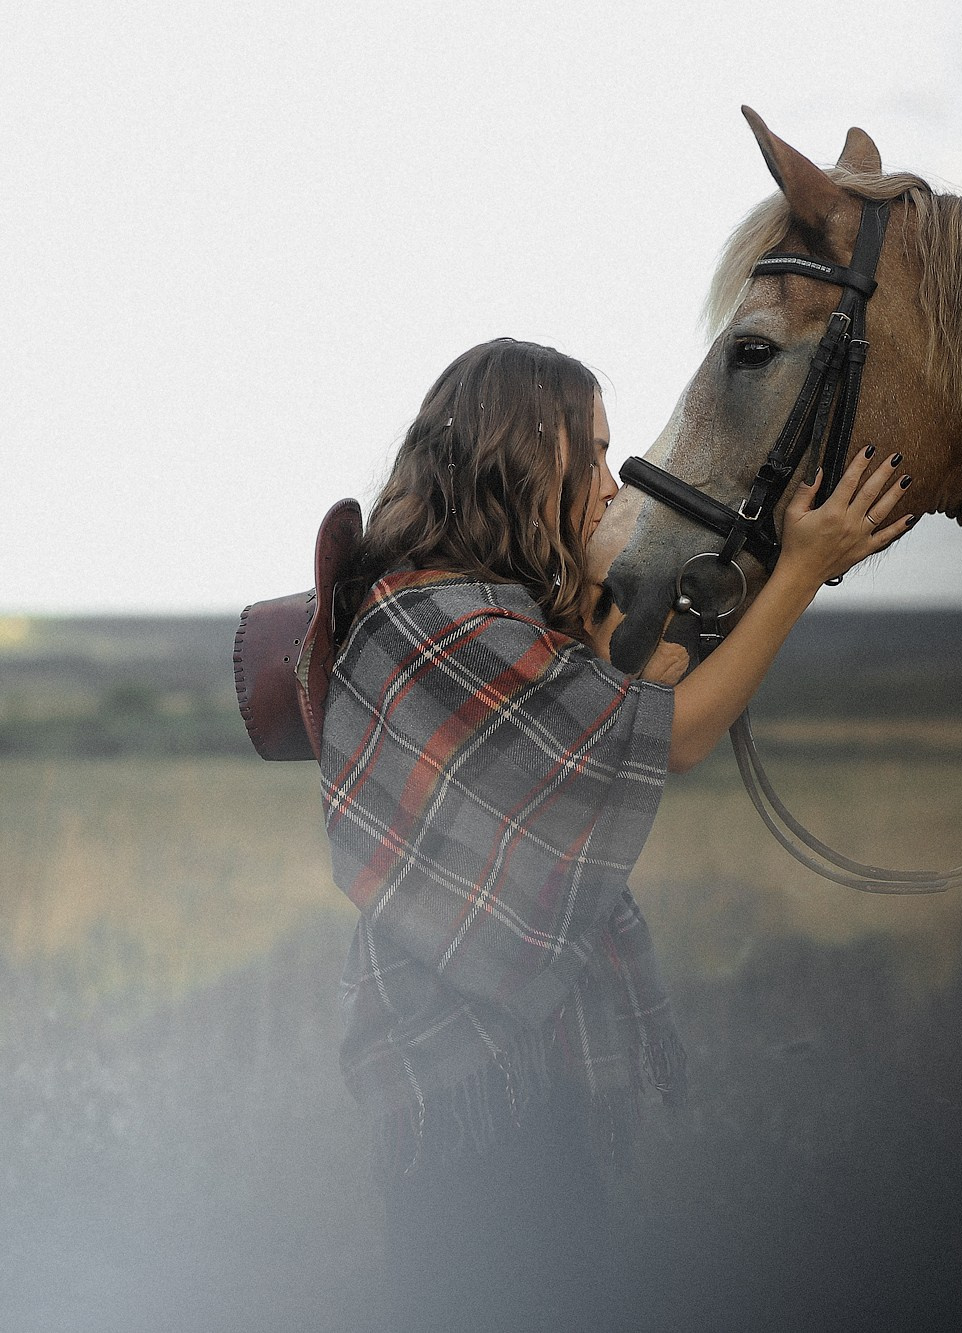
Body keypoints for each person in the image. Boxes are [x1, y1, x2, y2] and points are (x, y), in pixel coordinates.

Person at [320, 337, 913, 1331]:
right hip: (475, 1069)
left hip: (509, 1058)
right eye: (590, 453)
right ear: (522, 455)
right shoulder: (446, 621)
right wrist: (805, 571)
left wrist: (663, 587)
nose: (609, 483)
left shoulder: (485, 607)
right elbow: (675, 735)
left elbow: (626, 700)